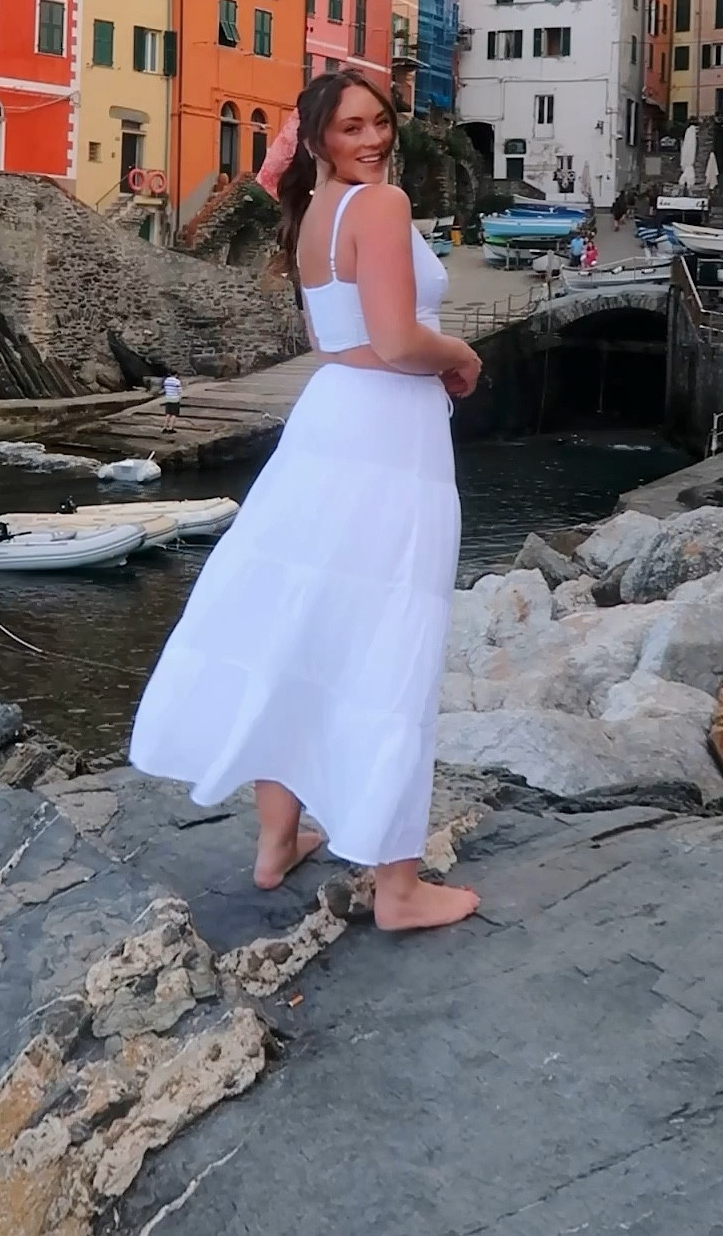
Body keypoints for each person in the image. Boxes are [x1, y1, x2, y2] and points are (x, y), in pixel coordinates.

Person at [130, 69, 483, 932]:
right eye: (353, 127)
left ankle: (276, 841)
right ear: (320, 136)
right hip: (389, 433)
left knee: (302, 620)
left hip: (326, 424)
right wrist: (460, 354)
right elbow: (397, 340)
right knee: (390, 633)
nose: (373, 139)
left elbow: (348, 332)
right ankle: (398, 889)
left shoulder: (315, 213)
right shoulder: (384, 205)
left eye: (381, 123)